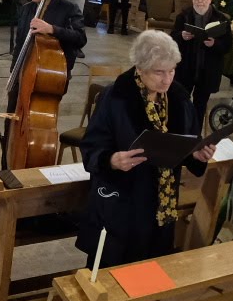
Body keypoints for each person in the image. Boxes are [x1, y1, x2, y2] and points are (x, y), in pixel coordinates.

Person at [76, 31, 214, 268]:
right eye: (159, 72)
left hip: (161, 205)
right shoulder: (116, 97)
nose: (167, 80)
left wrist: (196, 154)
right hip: (123, 204)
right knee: (113, 275)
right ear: (140, 68)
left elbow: (188, 139)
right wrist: (112, 160)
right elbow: (91, 147)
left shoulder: (179, 98)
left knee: (150, 274)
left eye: (172, 71)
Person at [10, 0, 88, 79]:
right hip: (25, 71)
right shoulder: (26, 9)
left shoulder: (68, 8)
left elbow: (80, 38)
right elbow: (20, 44)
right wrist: (13, 73)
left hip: (54, 73)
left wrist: (52, 29)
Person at [171, 0, 233, 129]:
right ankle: (179, 131)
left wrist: (215, 44)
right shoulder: (183, 16)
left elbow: (228, 45)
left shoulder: (221, 19)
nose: (200, 1)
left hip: (207, 71)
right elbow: (172, 37)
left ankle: (195, 137)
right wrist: (181, 36)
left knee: (200, 106)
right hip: (185, 69)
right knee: (180, 103)